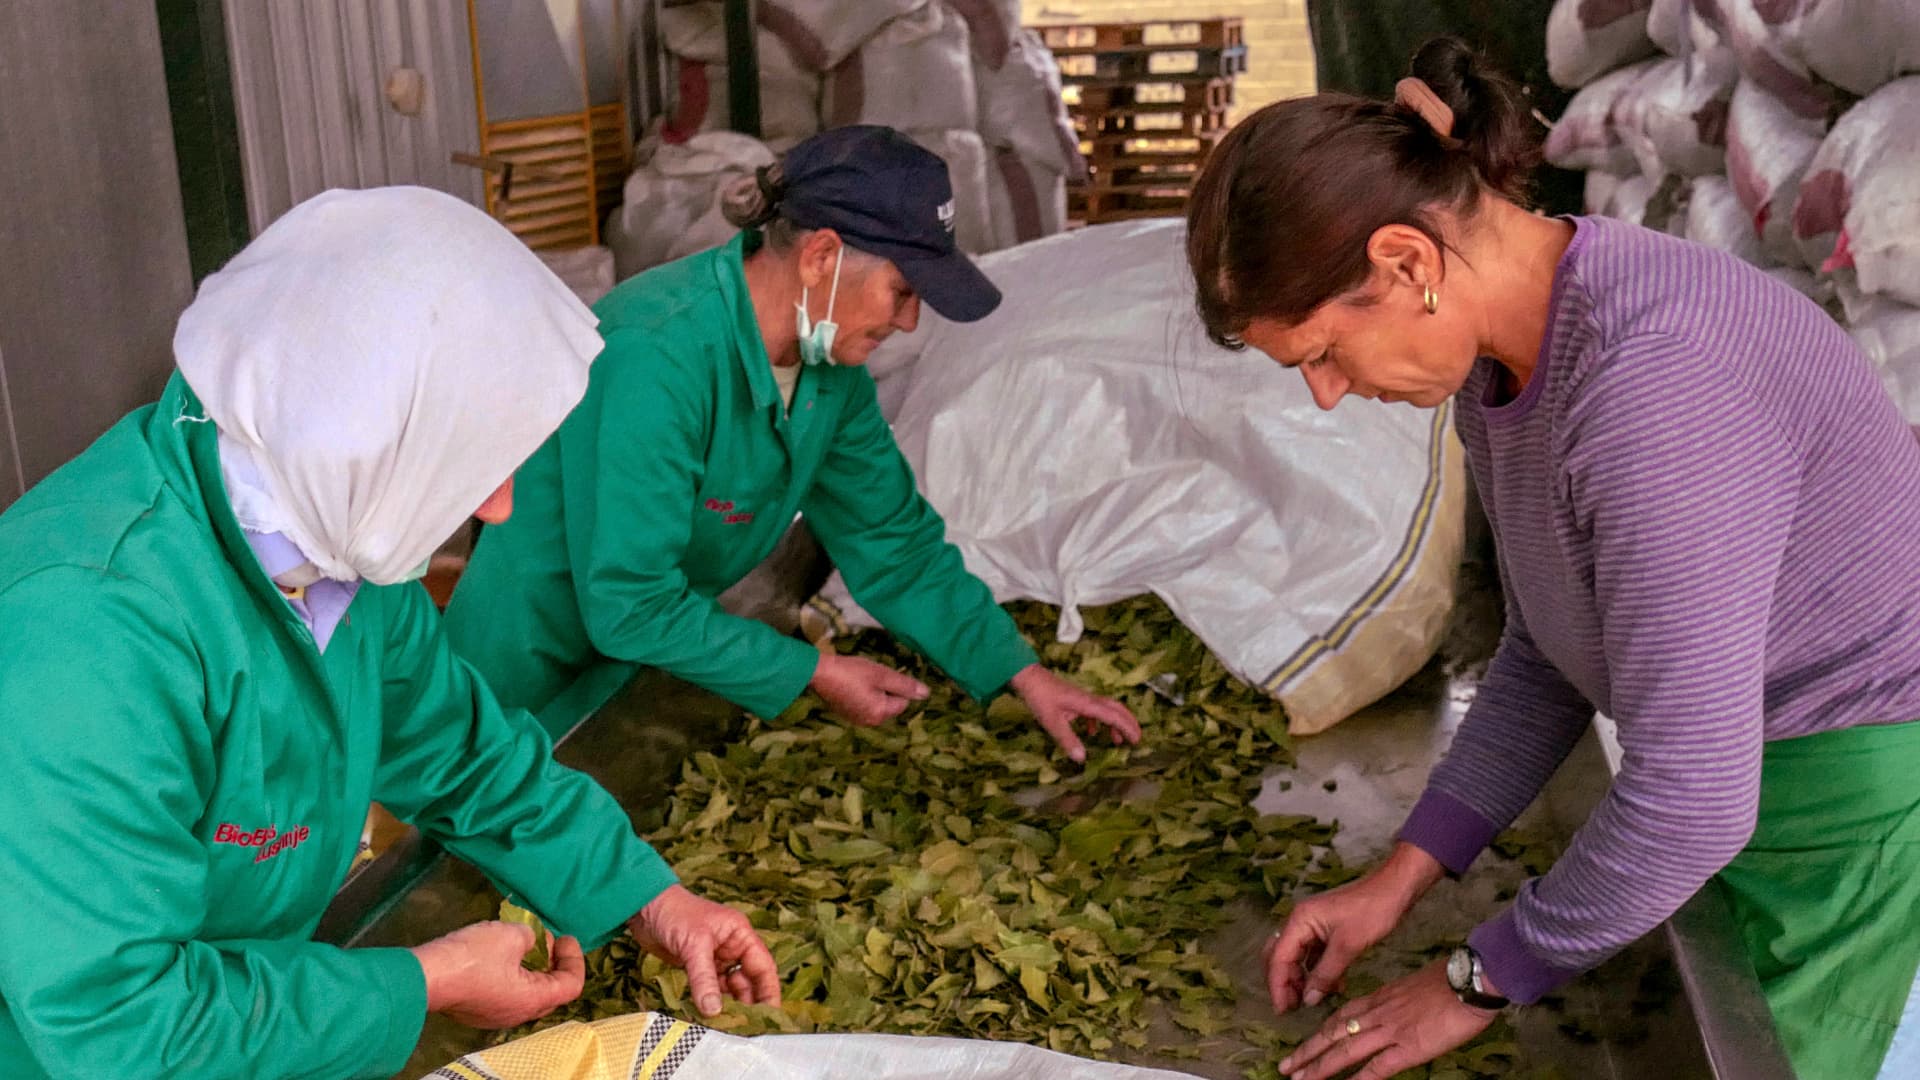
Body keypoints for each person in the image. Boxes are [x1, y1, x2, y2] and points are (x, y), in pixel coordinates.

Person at [1184, 36, 1920, 1080]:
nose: (1327, 395)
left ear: (1407, 264)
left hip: (1858, 832)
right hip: (1754, 802)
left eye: (1323, 354)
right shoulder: (1505, 363)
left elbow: (1696, 800)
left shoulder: (1651, 393)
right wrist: (1406, 872)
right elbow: (1548, 641)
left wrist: (1478, 981)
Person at [0, 188, 779, 1080]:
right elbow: (120, 1028)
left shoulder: (338, 535)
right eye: (474, 466)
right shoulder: (87, 638)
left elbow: (461, 752)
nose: (500, 507)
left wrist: (646, 897)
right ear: (367, 436)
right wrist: (424, 981)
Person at [443, 125, 1141, 760]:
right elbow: (631, 603)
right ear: (822, 257)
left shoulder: (827, 373)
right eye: (901, 291)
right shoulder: (656, 357)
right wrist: (816, 671)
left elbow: (893, 544)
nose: (908, 320)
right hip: (525, 680)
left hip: (631, 668)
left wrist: (1020, 673)